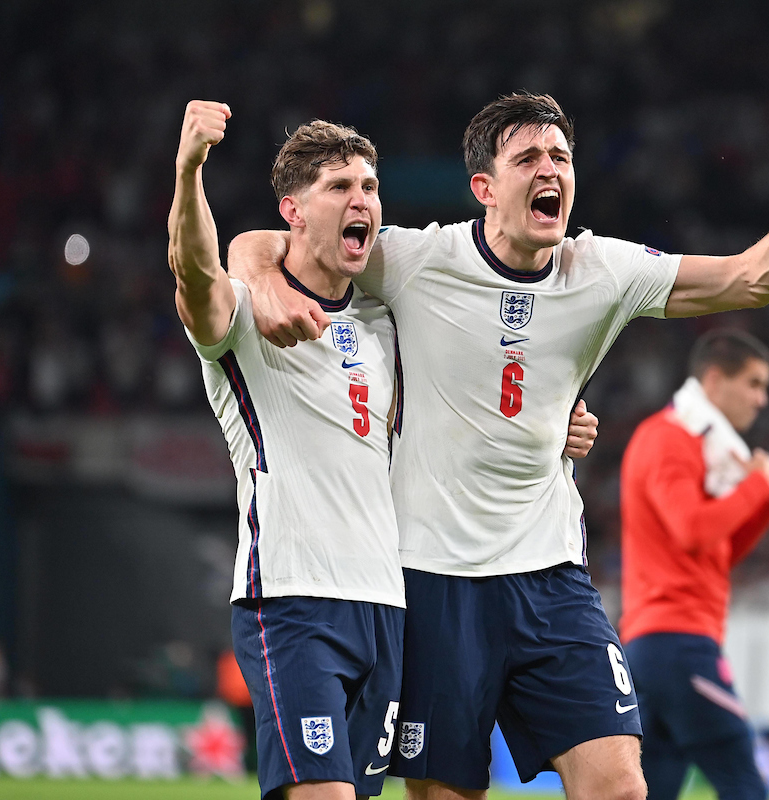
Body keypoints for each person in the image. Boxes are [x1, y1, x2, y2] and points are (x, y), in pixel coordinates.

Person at [229, 92, 769, 800]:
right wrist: (255, 279)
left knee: (621, 786)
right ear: (485, 189)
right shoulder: (414, 259)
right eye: (527, 157)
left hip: (550, 576)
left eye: (560, 156)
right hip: (434, 583)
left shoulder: (603, 271)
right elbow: (277, 238)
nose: (550, 169)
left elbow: (752, 277)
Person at [169, 100, 597, 800]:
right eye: (339, 187)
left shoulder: (382, 323)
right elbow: (194, 276)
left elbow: (476, 389)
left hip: (387, 608)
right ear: (293, 212)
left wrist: (560, 425)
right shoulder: (247, 318)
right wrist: (190, 173)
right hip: (292, 600)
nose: (362, 199)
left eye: (369, 186)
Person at [619, 330, 769, 800]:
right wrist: (753, 488)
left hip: (658, 646)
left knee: (657, 789)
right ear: (714, 379)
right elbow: (692, 529)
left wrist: (764, 505)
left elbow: (717, 552)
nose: (762, 399)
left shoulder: (692, 445)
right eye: (754, 383)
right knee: (742, 779)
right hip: (678, 643)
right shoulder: (669, 439)